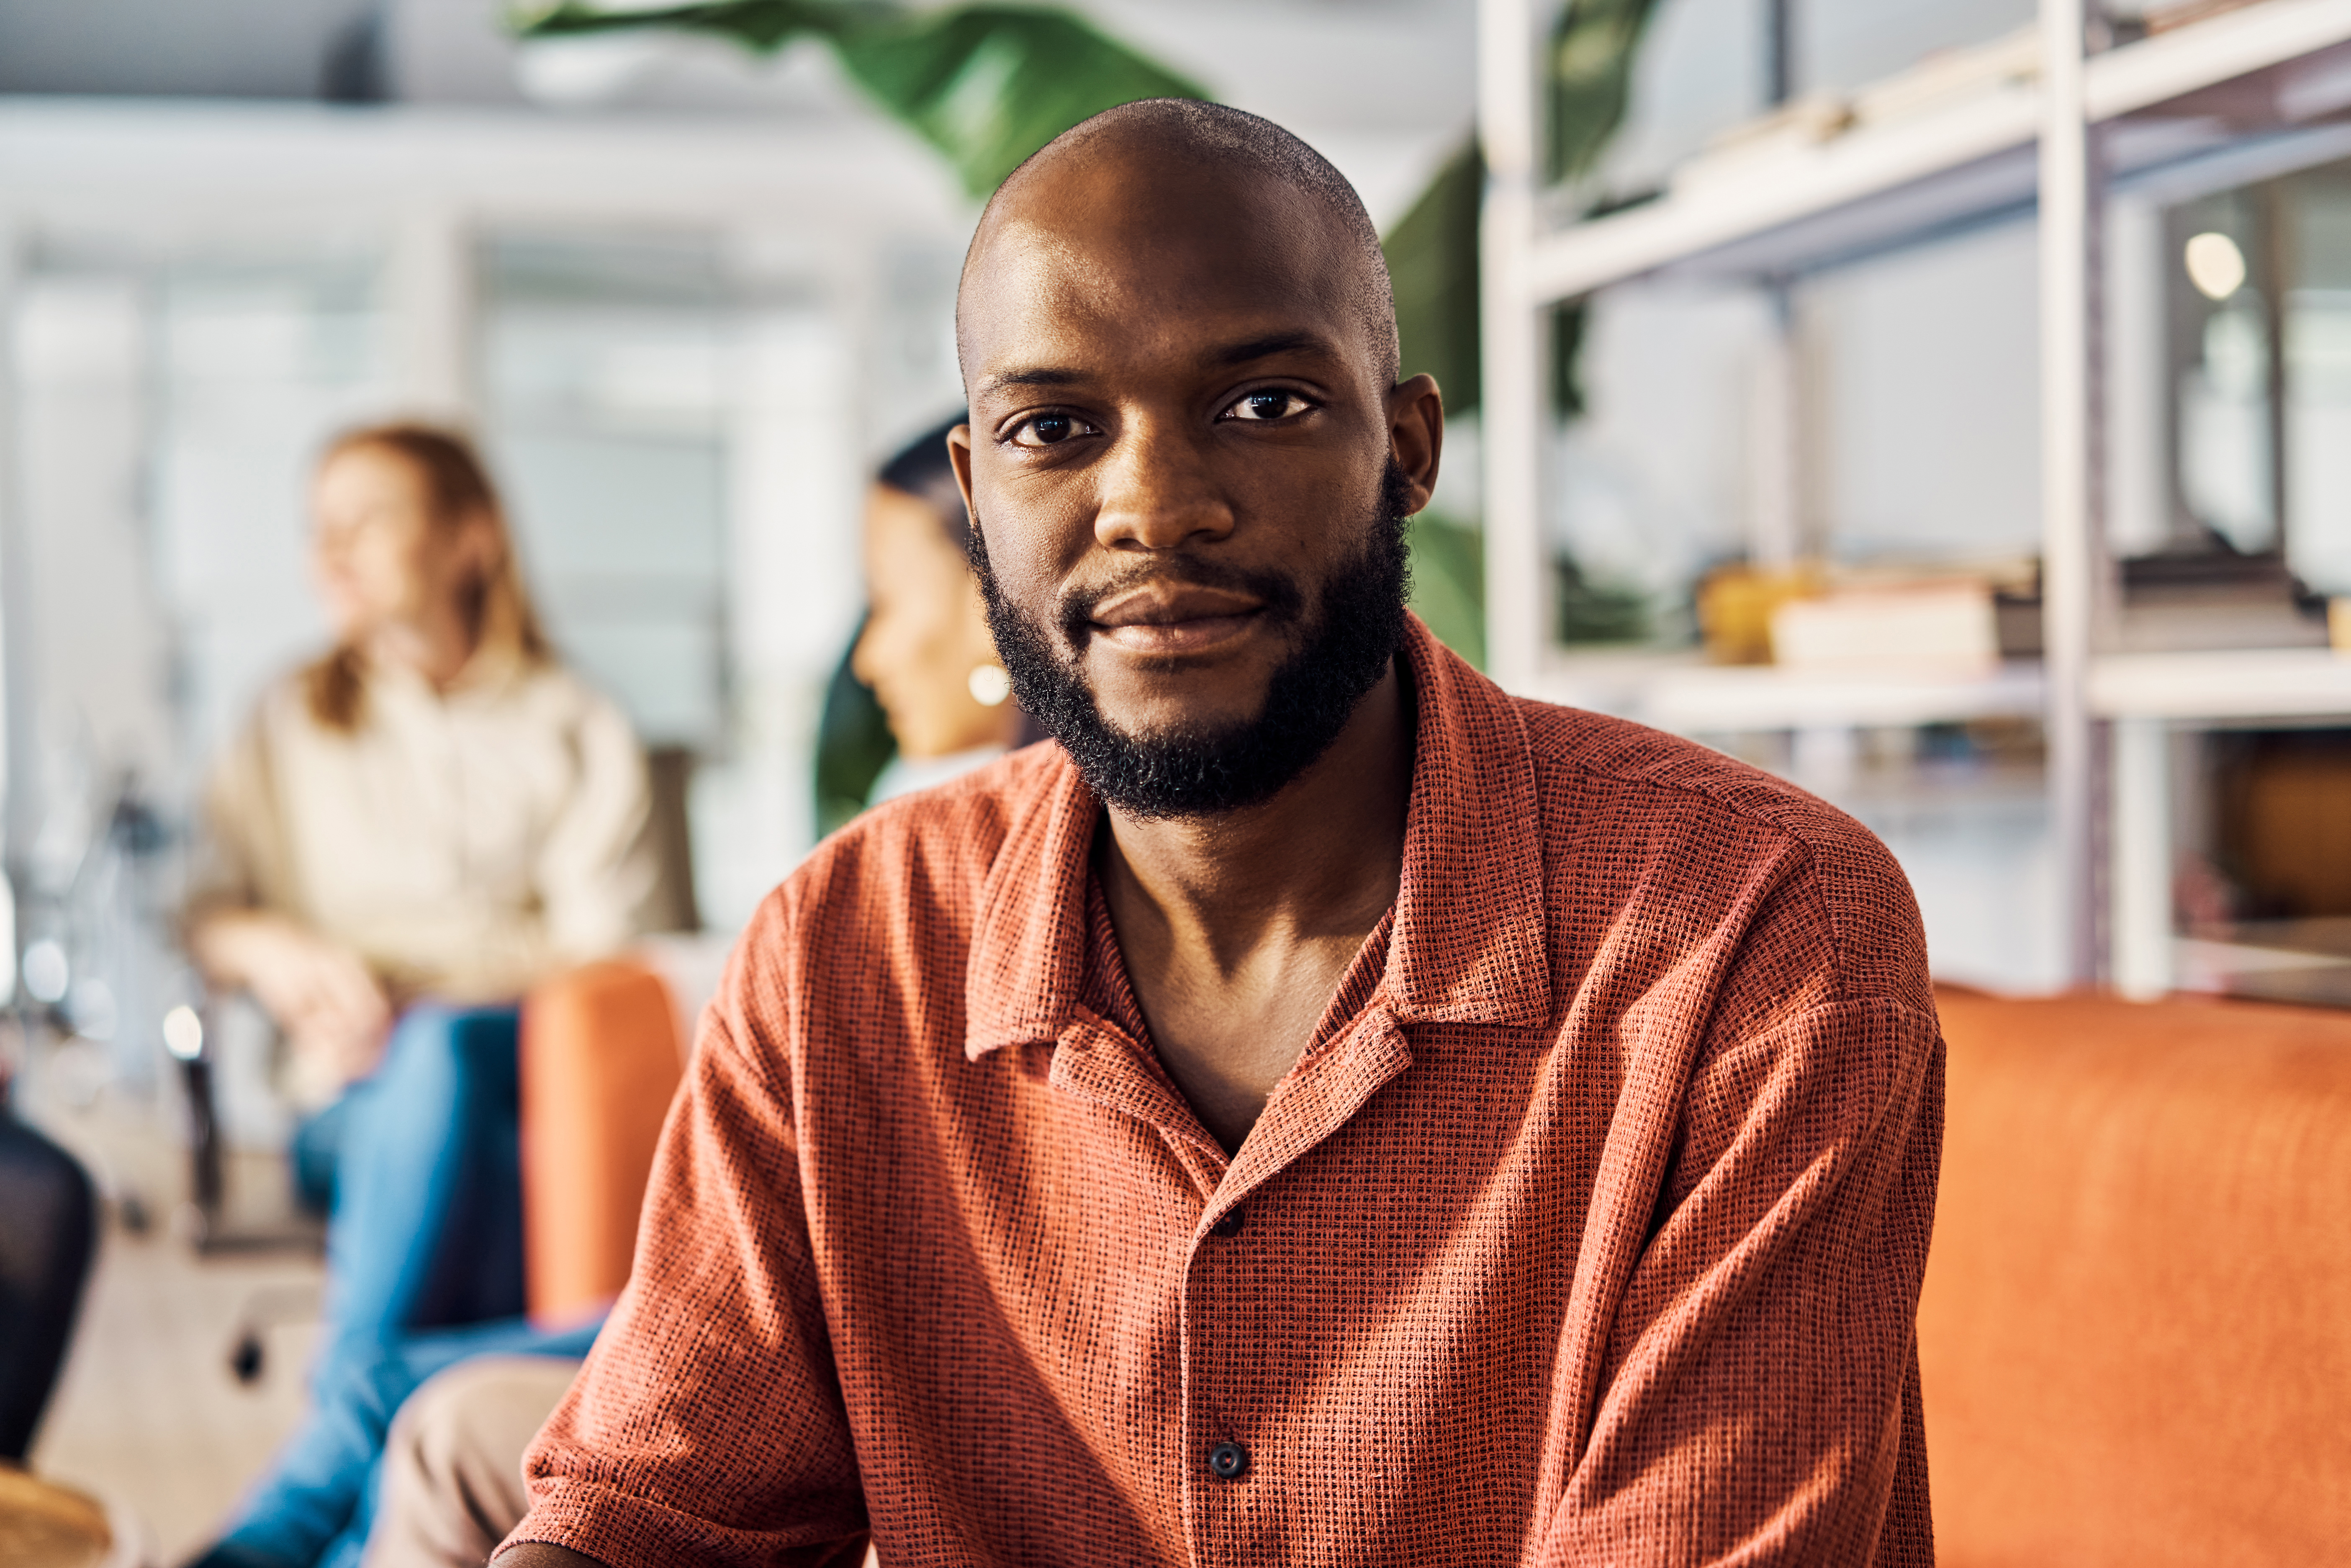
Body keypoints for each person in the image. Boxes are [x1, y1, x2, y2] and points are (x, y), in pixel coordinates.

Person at [499, 99, 1943, 1568]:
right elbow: (648, 1509)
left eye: (1263, 404)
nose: (1154, 506)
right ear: (977, 493)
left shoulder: (1755, 930)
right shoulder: (843, 947)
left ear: (1409, 448)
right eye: (1052, 429)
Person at [359, 419, 1020, 1567]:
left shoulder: (955, 874)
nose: (866, 659)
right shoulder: (883, 864)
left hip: (860, 1346)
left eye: (886, 602)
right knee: (425, 1405)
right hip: (807, 1305)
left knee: (407, 1391)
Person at [184, 423, 660, 1568]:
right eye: (318, 528)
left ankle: (304, 1513)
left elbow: (609, 965)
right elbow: (203, 910)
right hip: (345, 1105)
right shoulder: (285, 719)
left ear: (468, 538)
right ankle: (334, 1504)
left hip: (509, 1074)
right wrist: (280, 954)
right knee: (452, 1099)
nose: (329, 552)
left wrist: (422, 992)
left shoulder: (574, 724)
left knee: (452, 1054)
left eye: (367, 519)